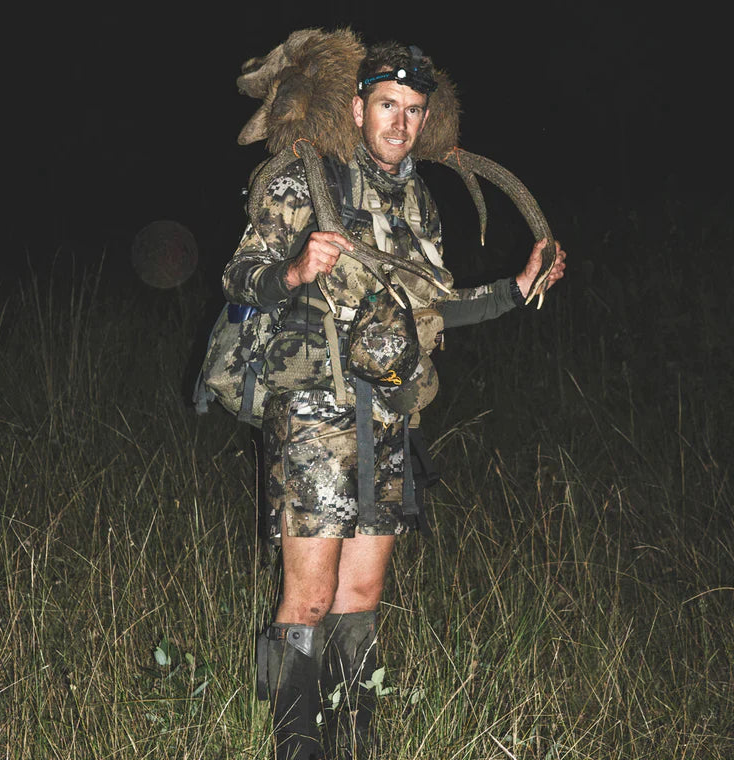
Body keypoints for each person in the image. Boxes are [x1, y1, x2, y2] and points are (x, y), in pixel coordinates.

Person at [222, 41, 566, 760]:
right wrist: (295, 271)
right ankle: (297, 747)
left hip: (387, 414)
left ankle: (355, 742)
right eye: (387, 105)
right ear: (358, 108)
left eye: (414, 110)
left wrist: (515, 289)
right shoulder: (305, 176)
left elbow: (432, 308)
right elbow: (240, 275)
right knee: (309, 598)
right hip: (312, 413)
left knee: (362, 596)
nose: (401, 123)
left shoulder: (417, 201)